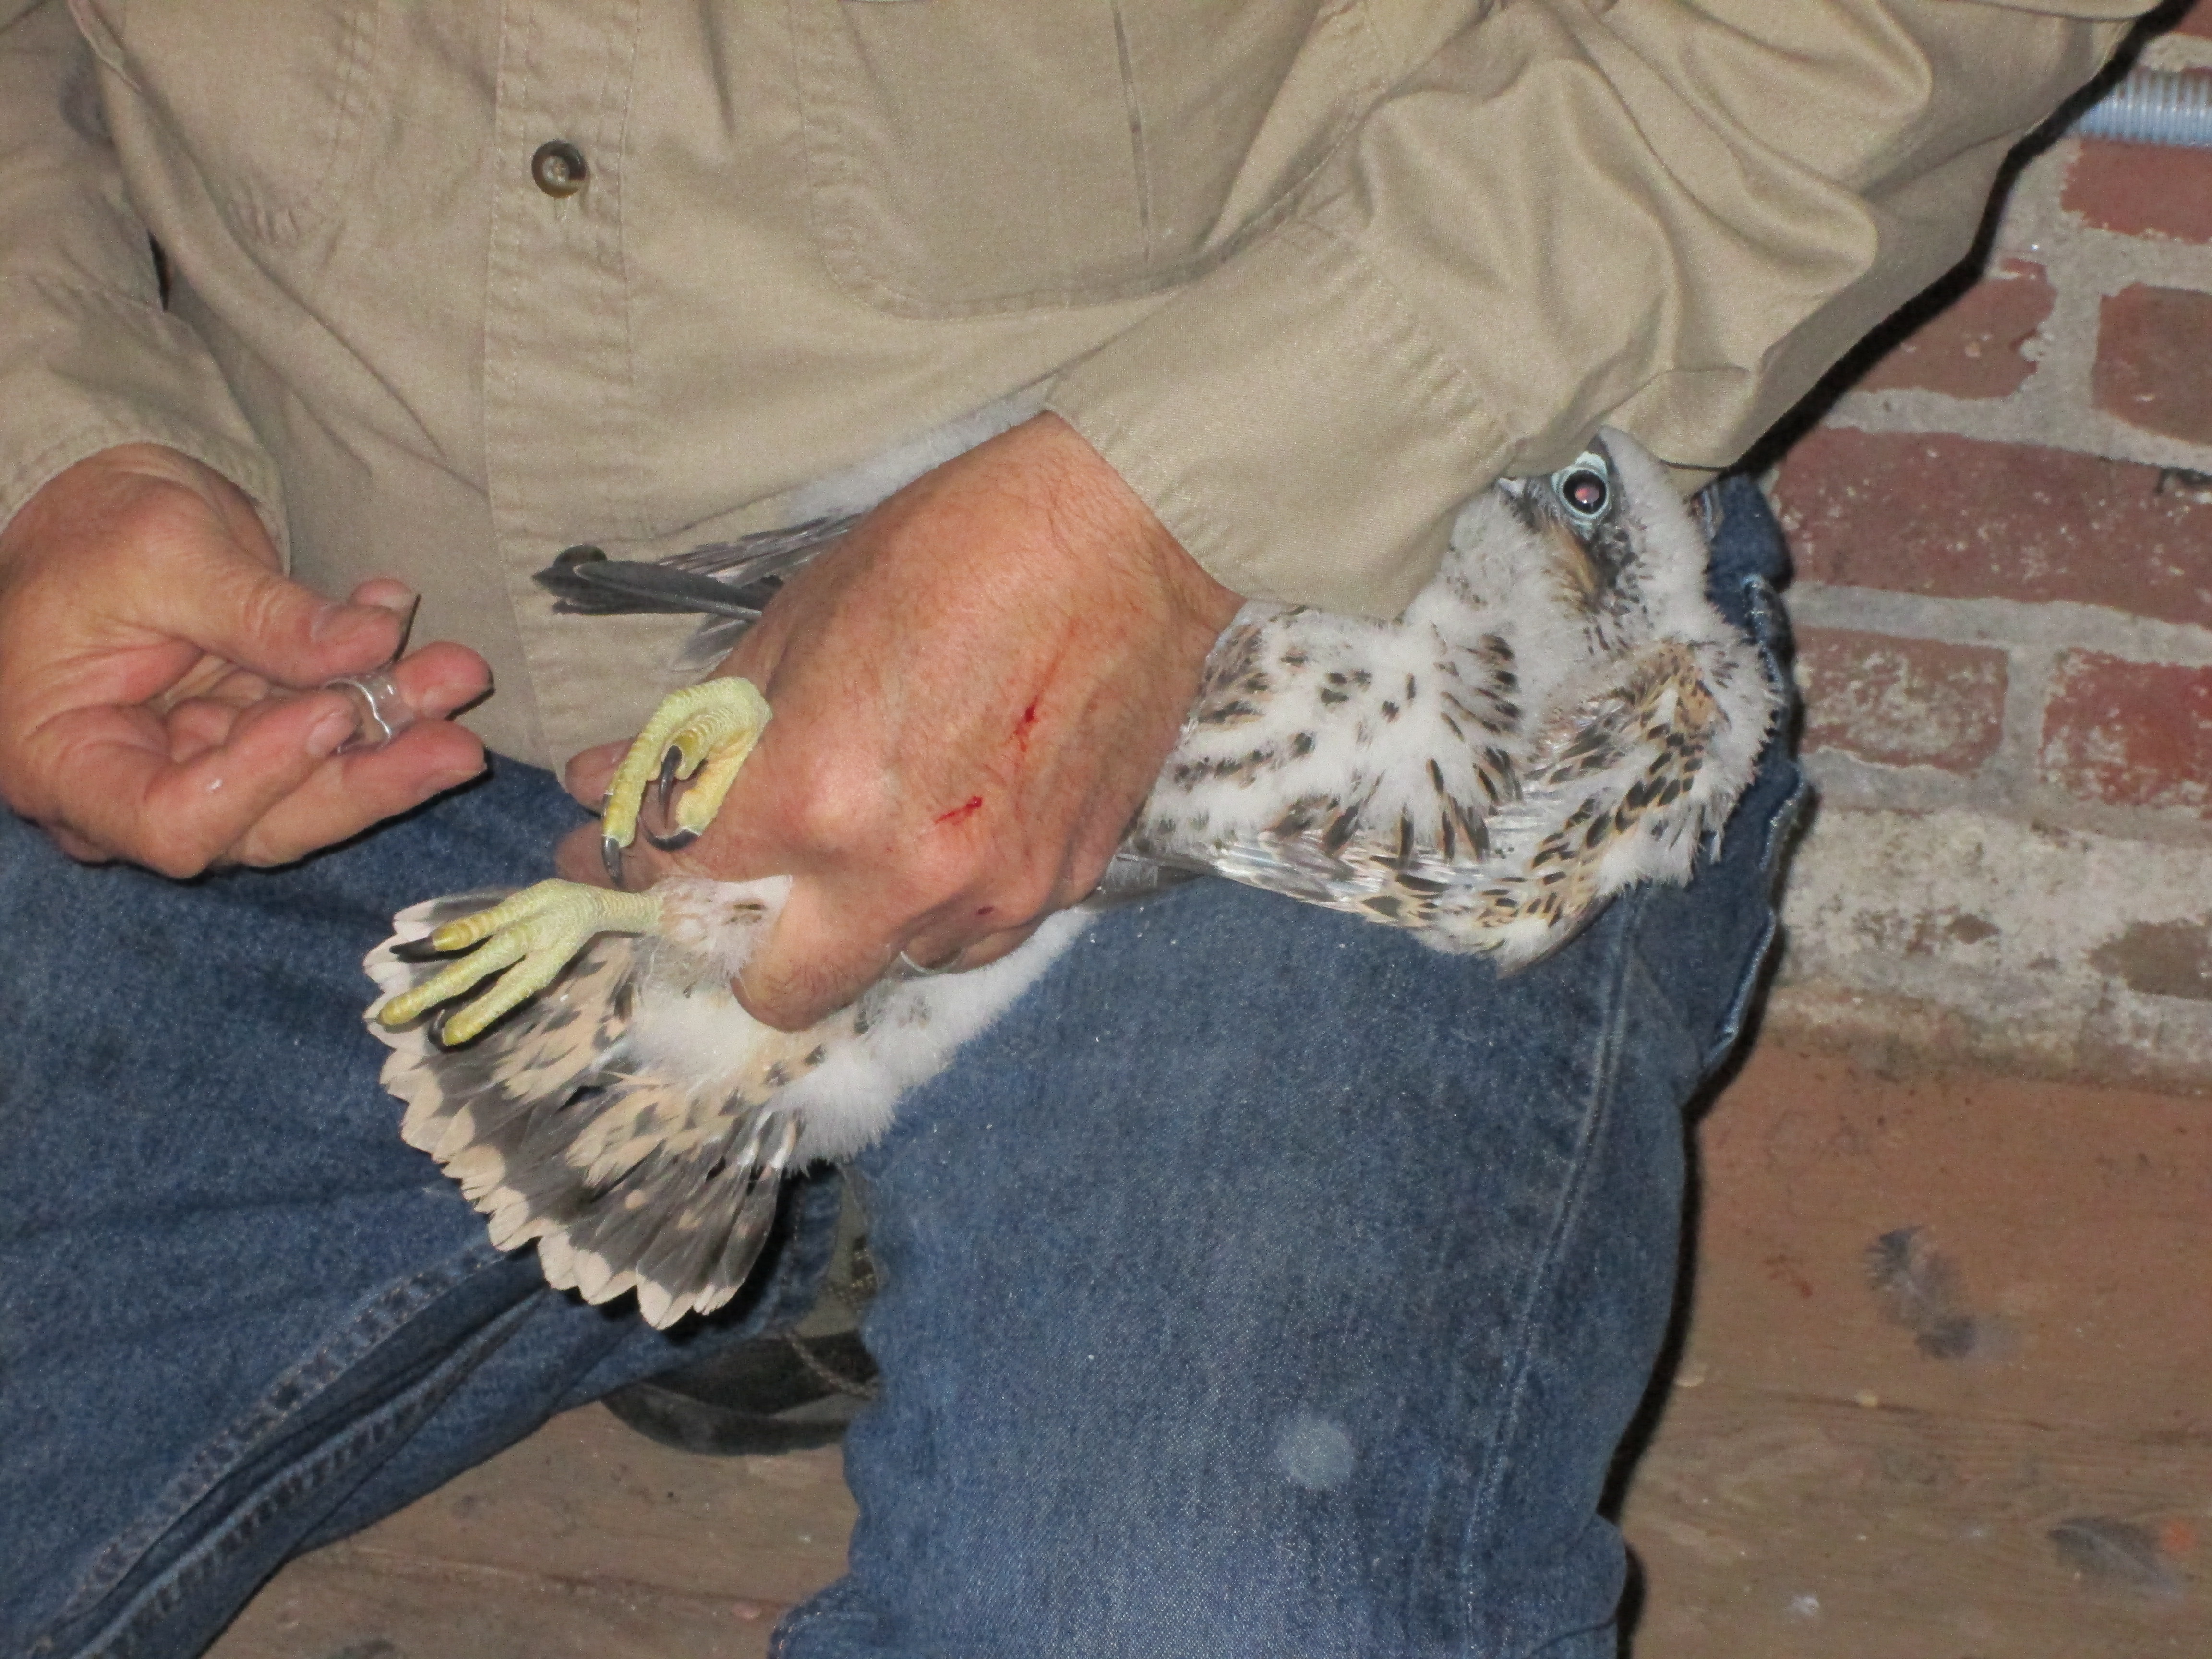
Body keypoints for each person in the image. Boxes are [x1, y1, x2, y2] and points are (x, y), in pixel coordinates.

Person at [0, 3, 2146, 1655]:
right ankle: (810, 1223)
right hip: (342, 648)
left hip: (1339, 627)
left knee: (1189, 1607)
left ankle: (931, 1198)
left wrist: (1168, 500)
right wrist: (56, 435)